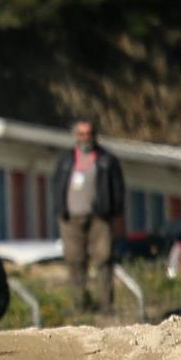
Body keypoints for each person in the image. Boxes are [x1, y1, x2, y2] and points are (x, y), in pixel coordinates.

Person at [53, 119, 125, 311]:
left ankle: (106, 306)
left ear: (95, 135)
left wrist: (113, 212)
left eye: (89, 133)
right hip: (70, 219)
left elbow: (118, 189)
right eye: (81, 134)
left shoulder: (107, 160)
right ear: (76, 136)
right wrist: (60, 209)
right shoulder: (66, 160)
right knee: (75, 261)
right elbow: (57, 185)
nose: (85, 138)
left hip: (99, 218)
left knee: (104, 259)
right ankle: (80, 306)